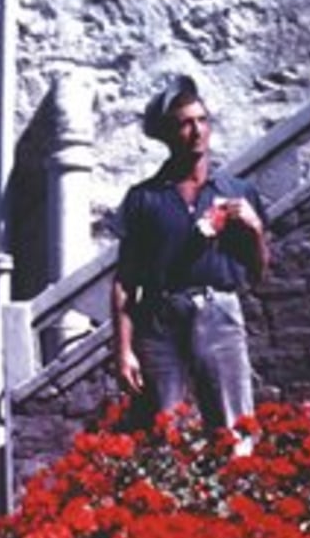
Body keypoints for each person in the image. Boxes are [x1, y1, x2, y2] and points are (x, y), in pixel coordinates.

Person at [111, 75, 269, 438]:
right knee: (165, 430)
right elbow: (124, 281)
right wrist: (123, 351)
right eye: (184, 123)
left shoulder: (236, 191)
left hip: (220, 312)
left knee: (235, 427)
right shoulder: (144, 198)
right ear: (167, 135)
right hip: (161, 319)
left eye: (201, 120)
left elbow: (259, 272)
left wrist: (255, 228)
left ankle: (239, 493)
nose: (196, 131)